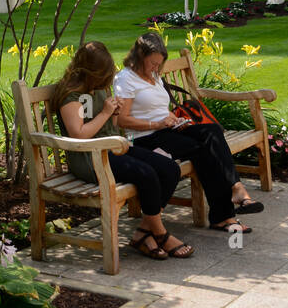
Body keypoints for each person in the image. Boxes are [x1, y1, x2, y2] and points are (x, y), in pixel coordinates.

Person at [113, 32, 263, 237]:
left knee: (212, 131)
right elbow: (122, 120)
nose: (155, 68)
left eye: (159, 64)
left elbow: (158, 107)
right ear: (139, 56)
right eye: (152, 63)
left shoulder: (154, 76)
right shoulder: (126, 79)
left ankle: (236, 189)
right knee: (203, 150)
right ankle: (224, 214)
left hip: (166, 129)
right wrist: (156, 123)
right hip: (144, 139)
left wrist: (173, 118)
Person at [54, 40, 193, 260]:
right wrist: (105, 113)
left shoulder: (97, 88)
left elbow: (114, 125)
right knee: (146, 175)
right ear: (93, 72)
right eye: (104, 74)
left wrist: (115, 111)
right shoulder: (71, 95)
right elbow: (79, 135)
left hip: (112, 149)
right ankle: (159, 232)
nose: (108, 79)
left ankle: (143, 232)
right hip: (91, 159)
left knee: (169, 169)